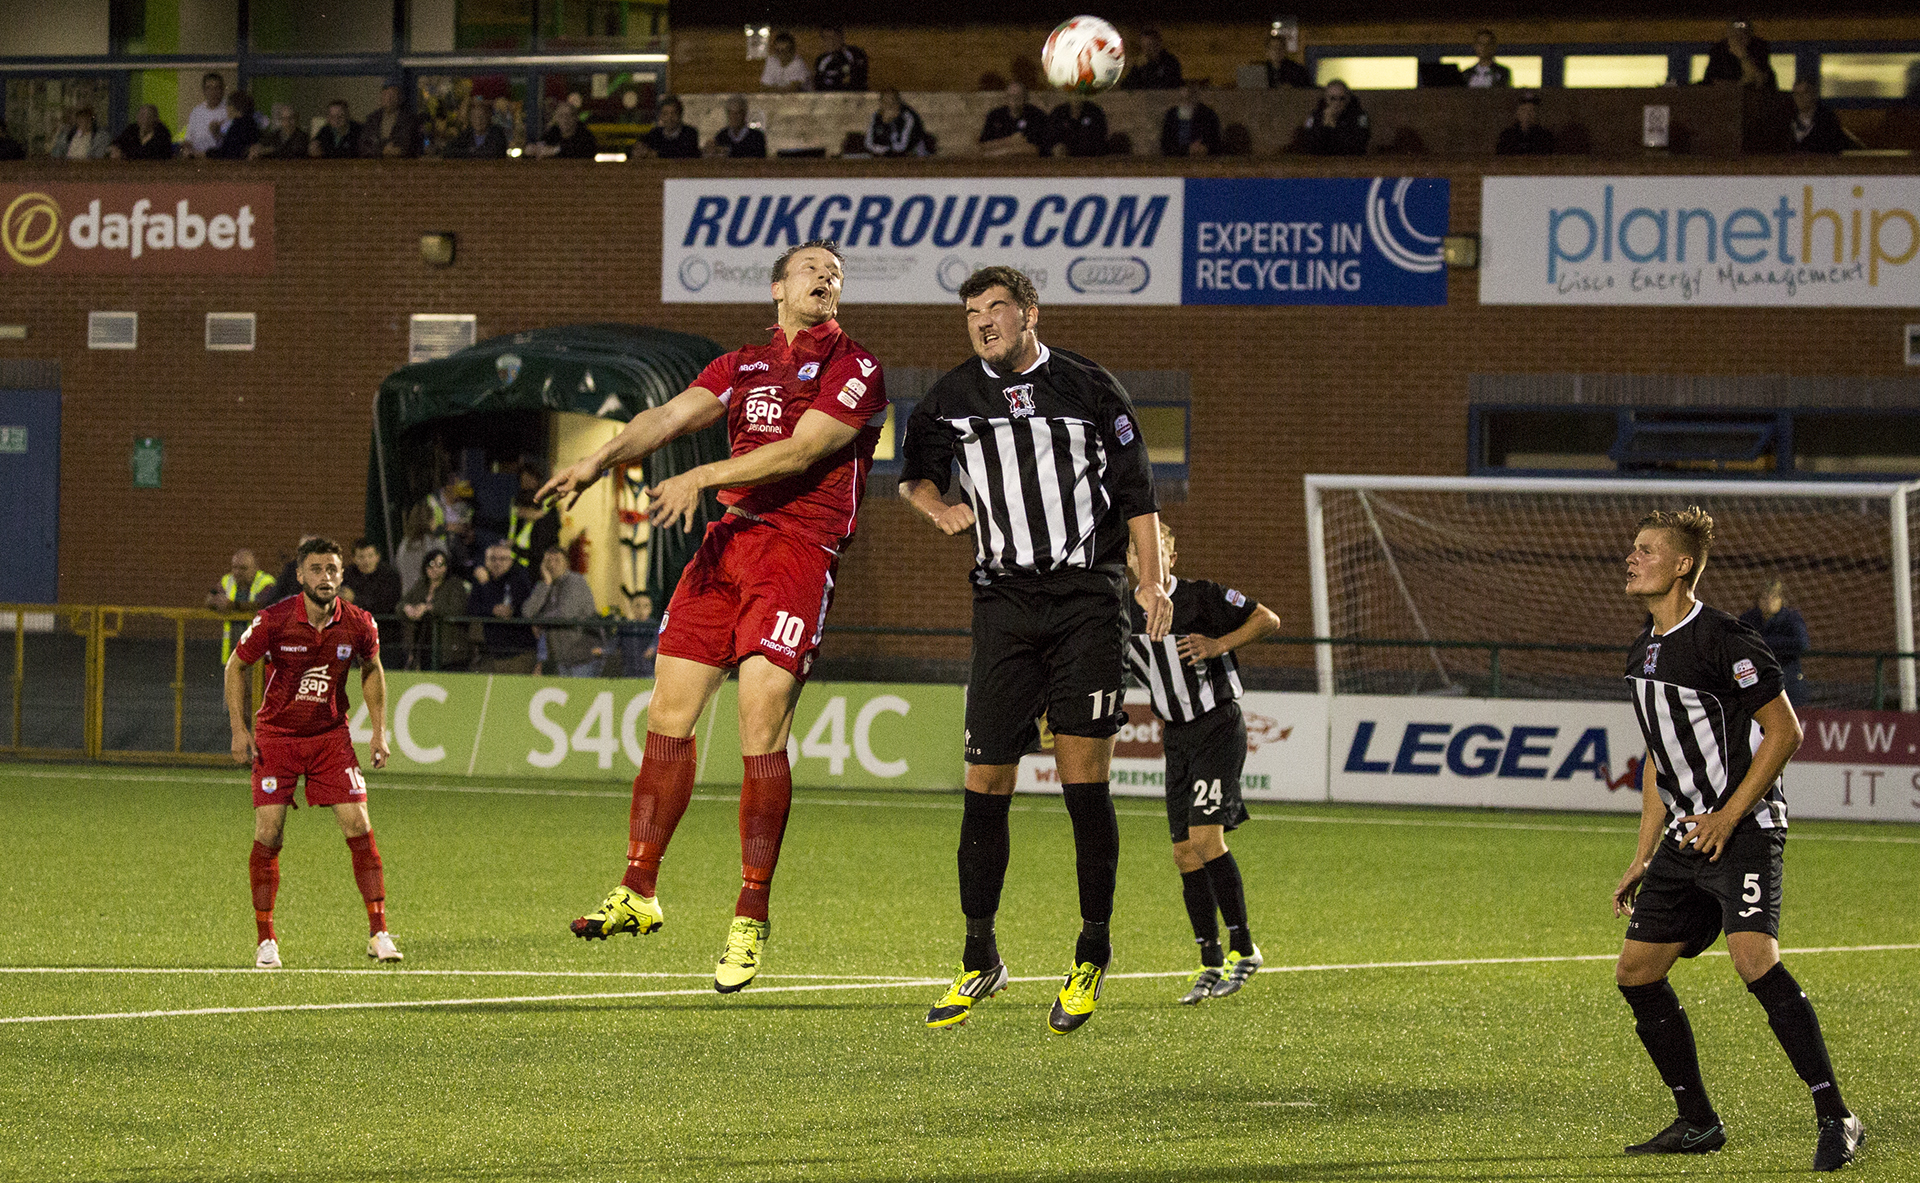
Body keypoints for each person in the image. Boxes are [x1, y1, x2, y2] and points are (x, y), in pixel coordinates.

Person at [540, 239, 887, 995]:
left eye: (835, 273)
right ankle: (638, 887)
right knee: (667, 712)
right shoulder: (742, 364)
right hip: (726, 547)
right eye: (811, 270)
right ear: (776, 287)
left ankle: (750, 912)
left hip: (798, 551)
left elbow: (801, 453)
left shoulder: (854, 367)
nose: (826, 278)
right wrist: (597, 460)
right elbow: (666, 416)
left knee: (759, 721)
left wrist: (702, 473)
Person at [900, 265, 1170, 1035]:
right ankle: (979, 954)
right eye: (972, 313)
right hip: (1004, 604)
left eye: (995, 309)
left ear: (1029, 314)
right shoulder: (952, 398)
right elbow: (912, 475)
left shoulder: (1089, 387)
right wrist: (939, 508)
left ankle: (1090, 950)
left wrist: (1153, 585)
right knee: (985, 780)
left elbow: (1141, 497)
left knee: (1084, 780)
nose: (983, 323)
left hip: (1087, 597)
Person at [1613, 507, 1862, 1170]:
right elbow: (1659, 761)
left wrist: (1727, 815)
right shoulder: (1642, 649)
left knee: (1753, 957)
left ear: (1682, 564)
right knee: (1637, 973)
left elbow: (1786, 733)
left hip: (1745, 826)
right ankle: (1697, 1120)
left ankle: (1837, 1114)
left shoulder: (1729, 638)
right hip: (1686, 832)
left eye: (1645, 549)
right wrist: (1644, 853)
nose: (1631, 558)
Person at [224, 537, 400, 969]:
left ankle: (379, 931)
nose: (326, 577)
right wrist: (239, 728)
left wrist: (379, 732)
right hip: (278, 738)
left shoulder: (358, 622)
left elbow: (371, 667)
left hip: (329, 738)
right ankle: (266, 940)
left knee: (359, 825)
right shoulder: (274, 620)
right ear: (300, 575)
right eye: (317, 569)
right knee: (269, 834)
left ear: (342, 575)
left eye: (333, 569)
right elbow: (236, 666)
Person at [1123, 523, 1280, 1004]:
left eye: (1156, 549)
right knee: (1184, 853)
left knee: (1204, 839)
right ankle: (1210, 962)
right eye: (1135, 552)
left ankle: (1244, 947)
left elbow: (1268, 619)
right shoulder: (1120, 612)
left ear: (1170, 554)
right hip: (1177, 737)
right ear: (1129, 560)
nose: (1145, 558)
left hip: (1217, 726)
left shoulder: (1202, 596)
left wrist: (1218, 644)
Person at [526, 546, 603, 677]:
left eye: (557, 560)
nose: (552, 565)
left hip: (582, 655)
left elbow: (565, 614)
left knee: (580, 695)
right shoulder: (545, 585)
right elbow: (527, 611)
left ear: (566, 564)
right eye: (548, 561)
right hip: (561, 658)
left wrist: (540, 621)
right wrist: (545, 584)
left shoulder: (575, 582)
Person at [1739, 578, 1811, 708]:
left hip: (1786, 679)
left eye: (1773, 597)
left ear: (1781, 600)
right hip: (1755, 680)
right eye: (1764, 598)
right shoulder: (1749, 619)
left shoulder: (1791, 619)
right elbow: (1740, 642)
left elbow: (1801, 644)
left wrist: (1764, 643)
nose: (1768, 602)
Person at [467, 541, 536, 673]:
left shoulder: (520, 577)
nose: (497, 563)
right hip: (492, 653)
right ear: (486, 561)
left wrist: (511, 611)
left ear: (511, 560)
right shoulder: (483, 579)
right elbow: (472, 608)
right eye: (493, 559)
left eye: (503, 559)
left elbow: (525, 608)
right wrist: (491, 609)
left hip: (519, 652)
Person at [400, 548, 472, 670]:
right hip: (424, 645)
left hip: (449, 648)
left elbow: (457, 609)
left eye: (440, 565)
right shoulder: (421, 584)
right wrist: (407, 608)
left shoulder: (455, 585)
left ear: (446, 567)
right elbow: (401, 604)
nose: (435, 569)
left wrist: (429, 608)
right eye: (431, 564)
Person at [208, 549, 281, 664]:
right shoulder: (227, 580)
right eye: (234, 567)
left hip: (259, 649)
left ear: (255, 568)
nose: (237, 572)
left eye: (243, 568)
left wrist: (233, 605)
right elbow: (209, 599)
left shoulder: (266, 582)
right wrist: (217, 603)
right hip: (234, 647)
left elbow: (263, 603)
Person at [342, 538, 404, 654]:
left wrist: (355, 599)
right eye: (361, 557)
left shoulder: (390, 575)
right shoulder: (348, 575)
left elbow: (386, 604)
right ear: (354, 559)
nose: (366, 561)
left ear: (377, 557)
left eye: (370, 556)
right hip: (355, 637)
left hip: (386, 637)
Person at [1701, 19, 1778, 91]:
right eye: (1734, 35)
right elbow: (1713, 81)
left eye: (1743, 35)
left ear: (1750, 36)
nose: (1738, 39)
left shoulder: (1759, 47)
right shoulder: (1719, 50)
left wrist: (1744, 57)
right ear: (1728, 36)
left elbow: (1759, 81)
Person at [1299, 80, 1370, 155]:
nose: (1337, 103)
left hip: (1350, 161)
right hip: (1320, 161)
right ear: (1326, 99)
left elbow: (1358, 145)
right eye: (1333, 99)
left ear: (1348, 99)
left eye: (1342, 99)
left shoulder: (1359, 116)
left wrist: (1333, 126)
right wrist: (1325, 127)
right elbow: (1310, 144)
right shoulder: (1315, 116)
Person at [979, 81, 1049, 157]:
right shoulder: (995, 115)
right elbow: (983, 145)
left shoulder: (1036, 115)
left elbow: (1036, 149)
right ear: (1005, 98)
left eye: (1018, 96)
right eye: (1010, 96)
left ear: (1025, 98)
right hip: (999, 164)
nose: (1014, 100)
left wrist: (1002, 151)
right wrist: (1010, 141)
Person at [360, 83, 423, 158]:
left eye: (392, 95)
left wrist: (399, 151)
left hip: (402, 164)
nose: (389, 99)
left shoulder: (409, 119)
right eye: (386, 95)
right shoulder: (372, 119)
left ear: (399, 98)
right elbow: (364, 144)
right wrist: (381, 150)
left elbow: (413, 144)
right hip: (376, 163)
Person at [1160, 83, 1222, 157]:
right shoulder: (1172, 115)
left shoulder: (1208, 114)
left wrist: (1205, 148)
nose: (1188, 93)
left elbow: (1216, 142)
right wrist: (1187, 149)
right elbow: (1166, 145)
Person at [1789, 80, 1851, 154]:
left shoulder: (1827, 120)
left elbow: (1834, 147)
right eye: (1796, 94)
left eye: (1804, 93)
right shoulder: (1786, 118)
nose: (1800, 98)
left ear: (1814, 95)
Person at [864, 90, 931, 157]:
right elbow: (869, 143)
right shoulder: (876, 117)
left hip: (911, 154)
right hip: (885, 154)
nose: (889, 105)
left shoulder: (907, 117)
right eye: (885, 102)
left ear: (898, 103)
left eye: (892, 102)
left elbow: (903, 146)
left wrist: (888, 150)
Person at [632, 95, 700, 159]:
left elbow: (683, 154)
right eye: (665, 114)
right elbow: (640, 147)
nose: (669, 118)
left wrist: (657, 154)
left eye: (673, 113)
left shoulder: (690, 133)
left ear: (680, 115)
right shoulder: (654, 133)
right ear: (660, 116)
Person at [442, 93, 509, 159]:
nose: (478, 121)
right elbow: (449, 151)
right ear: (470, 119)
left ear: (488, 118)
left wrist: (469, 152)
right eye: (475, 117)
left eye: (482, 117)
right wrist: (472, 152)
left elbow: (492, 153)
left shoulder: (497, 133)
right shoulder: (467, 134)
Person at [204, 92, 262, 160]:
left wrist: (205, 153)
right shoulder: (250, 123)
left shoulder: (238, 125)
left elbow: (227, 152)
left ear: (233, 107)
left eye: (228, 105)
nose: (226, 108)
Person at [529, 102, 598, 159]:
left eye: (568, 115)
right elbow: (541, 145)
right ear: (556, 118)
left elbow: (581, 152)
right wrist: (532, 150)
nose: (565, 120)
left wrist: (554, 151)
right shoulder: (553, 133)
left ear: (575, 118)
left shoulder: (585, 136)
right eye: (561, 116)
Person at [185, 72, 230, 156]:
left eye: (217, 88)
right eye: (209, 88)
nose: (213, 92)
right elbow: (189, 138)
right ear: (204, 90)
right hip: (196, 159)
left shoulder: (229, 110)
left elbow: (233, 144)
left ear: (223, 89)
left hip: (218, 158)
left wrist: (218, 134)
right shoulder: (196, 111)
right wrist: (185, 148)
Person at [814, 25, 869, 92]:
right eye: (826, 39)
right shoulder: (821, 60)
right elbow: (819, 84)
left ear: (841, 37)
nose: (831, 42)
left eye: (833, 38)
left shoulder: (856, 54)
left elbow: (857, 80)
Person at [108, 104, 174, 160]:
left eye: (145, 116)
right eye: (140, 115)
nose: (141, 119)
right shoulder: (132, 129)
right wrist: (115, 149)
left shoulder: (162, 133)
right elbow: (118, 142)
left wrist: (126, 155)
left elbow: (155, 154)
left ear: (154, 119)